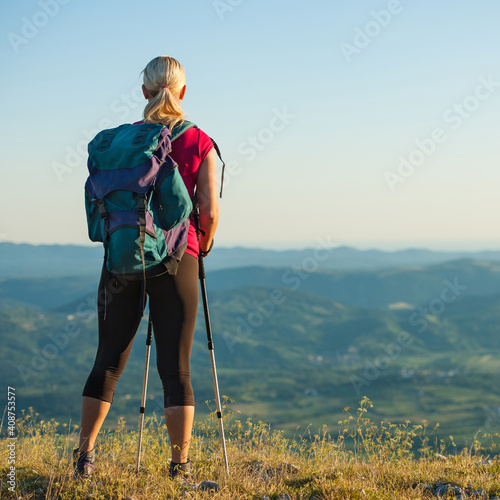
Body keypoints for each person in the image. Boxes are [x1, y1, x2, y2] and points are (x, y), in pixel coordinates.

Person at [74, 55, 219, 479]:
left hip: (121, 259)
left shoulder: (123, 141)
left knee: (108, 359)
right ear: (184, 91)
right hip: (178, 261)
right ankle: (180, 467)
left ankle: (84, 459)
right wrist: (203, 244)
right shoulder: (198, 141)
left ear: (144, 92)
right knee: (176, 368)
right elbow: (207, 211)